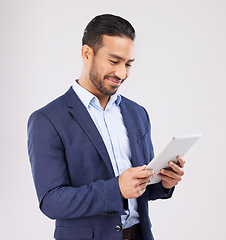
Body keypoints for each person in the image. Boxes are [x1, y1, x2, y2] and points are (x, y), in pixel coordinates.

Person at [27, 14, 185, 240]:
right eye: (114, 61)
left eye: (128, 64)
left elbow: (141, 189)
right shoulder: (47, 119)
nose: (122, 74)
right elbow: (51, 202)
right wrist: (116, 190)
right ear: (86, 54)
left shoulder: (137, 113)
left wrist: (164, 183)